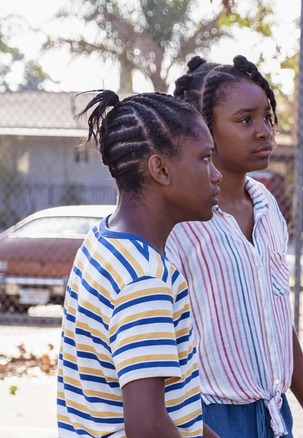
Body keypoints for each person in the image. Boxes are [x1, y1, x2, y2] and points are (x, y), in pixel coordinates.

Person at [166, 55, 303, 438]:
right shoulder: (180, 222)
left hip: (275, 415)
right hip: (208, 419)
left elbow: (276, 320)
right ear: (204, 129)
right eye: (245, 120)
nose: (264, 131)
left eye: (267, 118)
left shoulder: (267, 205)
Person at [56, 90, 222, 438]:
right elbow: (147, 427)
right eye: (205, 158)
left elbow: (171, 410)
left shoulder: (101, 242)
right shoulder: (144, 279)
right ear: (160, 169)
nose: (216, 174)